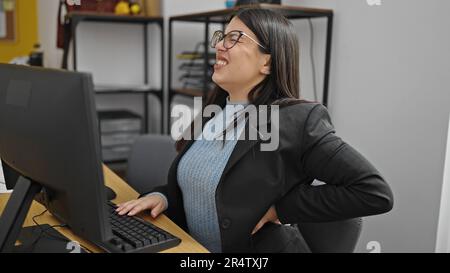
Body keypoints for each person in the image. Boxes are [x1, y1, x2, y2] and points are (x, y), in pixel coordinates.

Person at [116, 8, 394, 253]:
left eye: (234, 38)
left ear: (268, 62)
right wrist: (163, 197)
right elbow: (199, 187)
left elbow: (374, 192)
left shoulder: (298, 120)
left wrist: (281, 209)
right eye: (221, 37)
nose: (220, 46)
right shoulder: (214, 111)